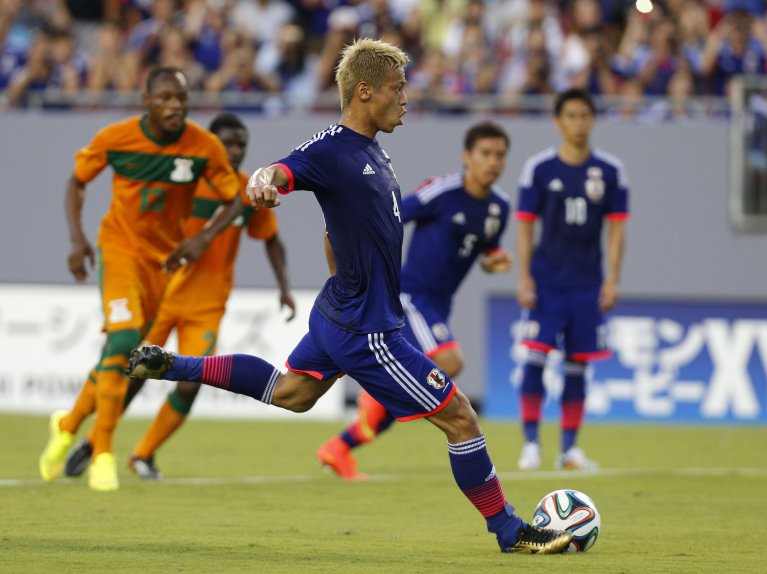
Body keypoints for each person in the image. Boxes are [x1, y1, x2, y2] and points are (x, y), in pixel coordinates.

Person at [127, 38, 572, 555]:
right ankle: (510, 531)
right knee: (460, 419)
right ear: (364, 92)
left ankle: (173, 366)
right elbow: (280, 171)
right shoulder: (333, 149)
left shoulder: (372, 152)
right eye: (396, 88)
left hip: (343, 311)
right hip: (368, 328)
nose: (405, 98)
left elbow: (333, 229)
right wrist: (263, 182)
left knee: (291, 393)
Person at [38, 67, 243, 492]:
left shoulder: (202, 147)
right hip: (119, 249)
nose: (174, 106)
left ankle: (69, 423)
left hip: (162, 264)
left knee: (124, 348)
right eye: (165, 98)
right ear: (146, 101)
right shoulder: (117, 138)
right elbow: (76, 182)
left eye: (181, 99)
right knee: (124, 340)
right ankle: (104, 455)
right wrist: (77, 241)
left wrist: (203, 238)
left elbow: (234, 197)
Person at [62, 113, 297, 480]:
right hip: (164, 295)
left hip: (206, 306)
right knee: (134, 370)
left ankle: (142, 454)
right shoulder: (182, 181)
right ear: (209, 145)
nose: (234, 151)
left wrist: (284, 288)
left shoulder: (246, 191)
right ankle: (93, 440)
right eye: (227, 144)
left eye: (241, 145)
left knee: (191, 382)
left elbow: (272, 241)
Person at [316, 120, 513, 480]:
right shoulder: (441, 191)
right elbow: (390, 215)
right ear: (467, 156)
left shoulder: (499, 208)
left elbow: (484, 252)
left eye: (500, 156)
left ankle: (342, 445)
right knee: (449, 361)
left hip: (439, 305)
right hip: (409, 295)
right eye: (485, 153)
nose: (493, 162)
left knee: (413, 386)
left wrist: (493, 261)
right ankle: (375, 399)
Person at [515, 88, 628, 471]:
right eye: (572, 116)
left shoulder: (611, 172)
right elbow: (526, 226)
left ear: (592, 120)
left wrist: (612, 280)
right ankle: (531, 444)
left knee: (578, 367)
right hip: (546, 284)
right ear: (558, 121)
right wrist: (525, 276)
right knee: (535, 360)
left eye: (585, 115)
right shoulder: (539, 169)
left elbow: (616, 230)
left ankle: (569, 450)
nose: (579, 123)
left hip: (587, 286)